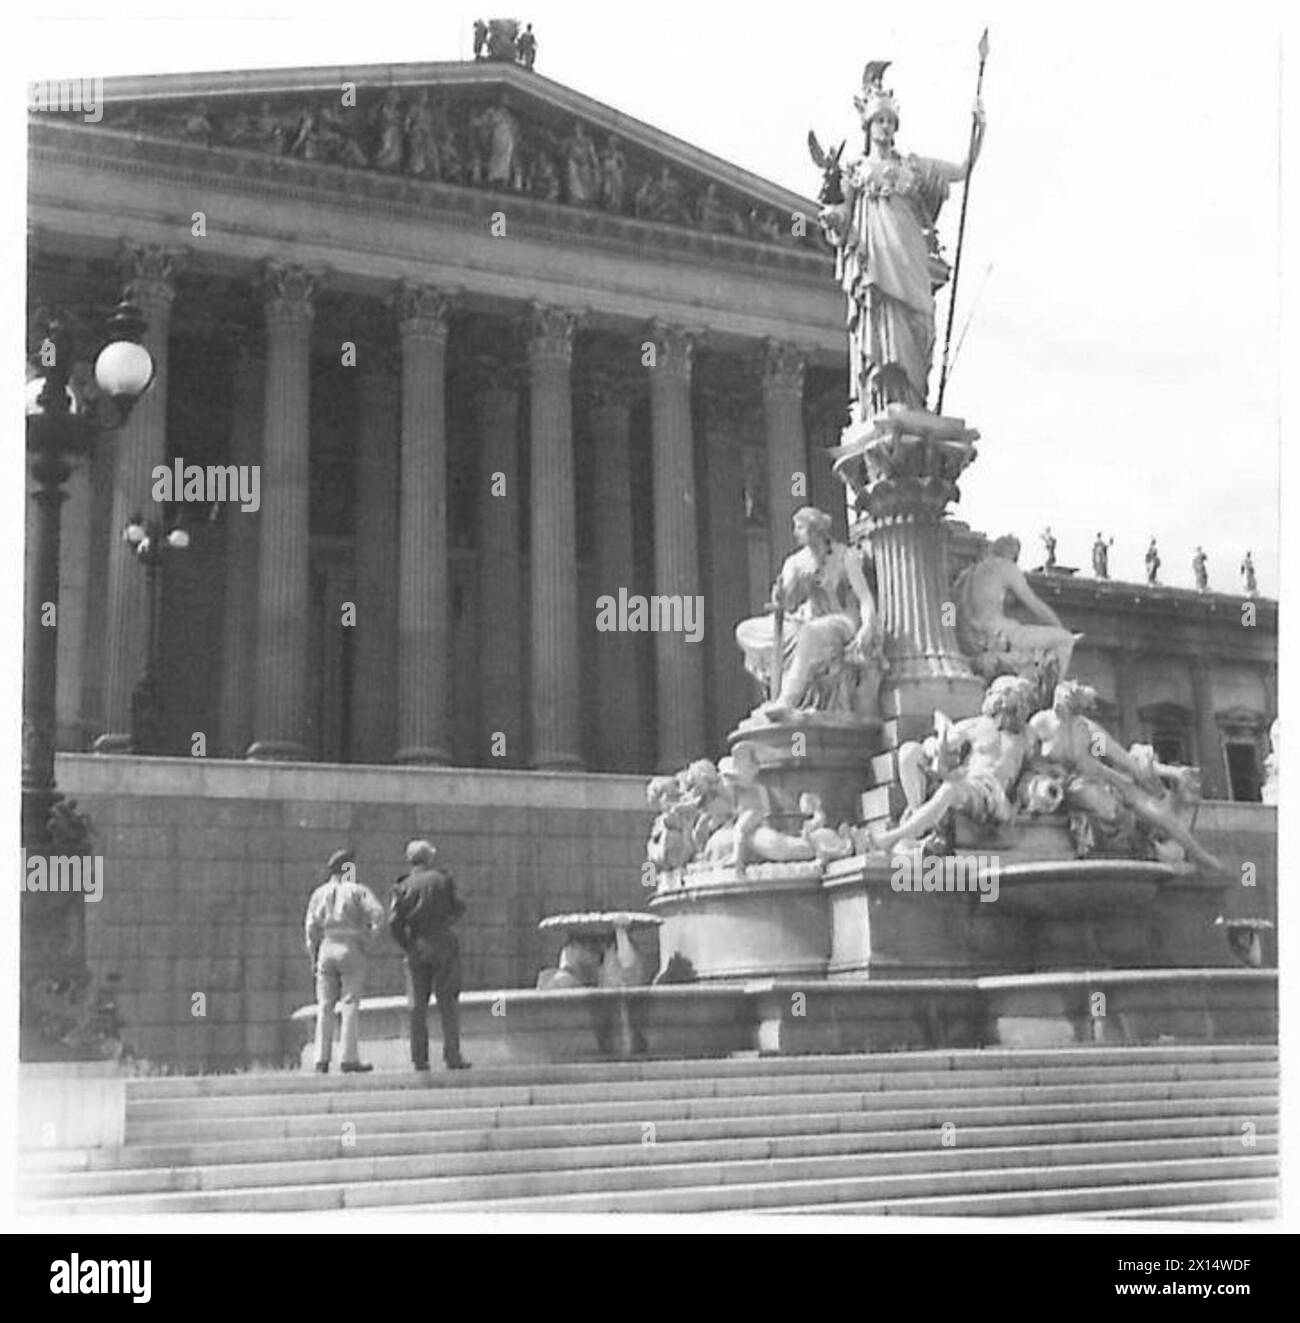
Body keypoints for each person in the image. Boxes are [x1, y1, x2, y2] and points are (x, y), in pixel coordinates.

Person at [819, 62, 986, 419]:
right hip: (875, 265)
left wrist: (977, 129)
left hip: (910, 259)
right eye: (880, 121)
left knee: (920, 324)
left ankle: (914, 401)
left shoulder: (913, 166)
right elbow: (840, 219)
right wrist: (831, 217)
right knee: (883, 338)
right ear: (868, 125)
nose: (886, 127)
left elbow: (961, 169)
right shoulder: (856, 172)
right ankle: (886, 405)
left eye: (891, 122)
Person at [734, 506, 883, 723]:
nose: (795, 533)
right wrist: (781, 595)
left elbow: (865, 598)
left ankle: (787, 701)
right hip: (804, 620)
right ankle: (785, 695)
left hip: (840, 621)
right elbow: (784, 603)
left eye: (800, 528)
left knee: (810, 633)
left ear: (815, 530)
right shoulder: (794, 563)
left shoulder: (845, 556)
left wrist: (868, 624)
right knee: (745, 631)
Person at [388, 839, 470, 1071]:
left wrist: (407, 944)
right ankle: (452, 1056)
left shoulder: (402, 886)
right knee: (448, 1002)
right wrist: (447, 922)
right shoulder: (443, 879)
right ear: (430, 858)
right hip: (443, 942)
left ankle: (419, 1059)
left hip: (417, 944)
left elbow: (394, 921)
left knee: (417, 1006)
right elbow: (459, 907)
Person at [303, 848, 386, 1074]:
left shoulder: (318, 893)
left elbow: (310, 928)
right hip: (350, 946)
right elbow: (378, 914)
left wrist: (313, 955)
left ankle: (321, 1059)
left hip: (326, 946)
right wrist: (368, 938)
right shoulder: (358, 890)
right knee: (349, 1003)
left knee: (325, 1005)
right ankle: (348, 1058)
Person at [954, 535, 1078, 680]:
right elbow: (1035, 605)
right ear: (1012, 554)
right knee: (1064, 640)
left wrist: (950, 635)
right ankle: (1049, 695)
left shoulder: (966, 574)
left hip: (971, 642)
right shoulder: (1005, 566)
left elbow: (947, 604)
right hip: (999, 635)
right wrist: (1060, 627)